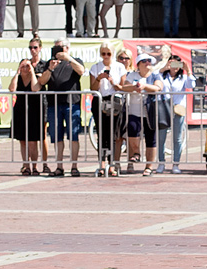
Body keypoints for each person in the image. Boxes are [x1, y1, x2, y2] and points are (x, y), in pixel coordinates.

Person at [40, 38, 85, 177]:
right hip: (54, 104)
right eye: (56, 48)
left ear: (67, 48)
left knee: (73, 135)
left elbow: (81, 71)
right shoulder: (50, 63)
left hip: (71, 103)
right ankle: (59, 166)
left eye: (60, 48)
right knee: (56, 136)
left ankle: (74, 166)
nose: (58, 51)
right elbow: (42, 81)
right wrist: (50, 68)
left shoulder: (75, 60)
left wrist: (68, 58)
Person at [89, 43, 128, 177]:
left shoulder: (119, 67)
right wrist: (99, 78)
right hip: (99, 100)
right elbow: (93, 88)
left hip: (114, 100)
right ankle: (102, 163)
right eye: (103, 54)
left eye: (108, 54)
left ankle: (112, 164)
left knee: (113, 133)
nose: (106, 56)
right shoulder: (95, 67)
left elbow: (122, 87)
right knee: (101, 133)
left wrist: (112, 81)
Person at [10, 38, 46, 175]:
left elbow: (35, 88)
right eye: (23, 66)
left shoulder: (34, 75)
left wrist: (31, 72)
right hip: (20, 109)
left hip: (34, 110)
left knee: (32, 141)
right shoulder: (18, 77)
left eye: (27, 66)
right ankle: (26, 165)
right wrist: (17, 73)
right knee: (23, 141)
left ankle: (35, 166)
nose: (25, 68)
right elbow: (12, 89)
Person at [124, 54, 163, 176]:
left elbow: (158, 87)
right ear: (138, 64)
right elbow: (125, 87)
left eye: (149, 61)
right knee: (132, 131)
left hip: (150, 111)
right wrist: (135, 87)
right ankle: (136, 153)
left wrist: (145, 86)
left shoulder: (155, 75)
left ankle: (149, 166)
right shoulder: (132, 75)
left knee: (151, 139)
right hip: (134, 110)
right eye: (144, 61)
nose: (147, 63)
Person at [158, 55, 195, 174]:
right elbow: (153, 78)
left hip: (178, 109)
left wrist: (188, 70)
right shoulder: (162, 76)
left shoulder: (183, 78)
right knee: (161, 137)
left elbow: (191, 85)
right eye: (171, 64)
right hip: (164, 108)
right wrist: (164, 68)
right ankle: (161, 163)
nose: (173, 67)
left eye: (176, 64)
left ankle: (176, 163)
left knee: (177, 138)